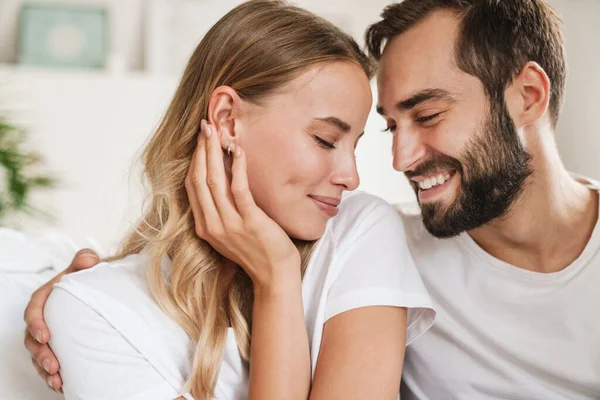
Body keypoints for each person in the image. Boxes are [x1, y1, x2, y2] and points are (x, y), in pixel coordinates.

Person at [23, 1, 434, 399]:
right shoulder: (96, 312)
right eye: (325, 140)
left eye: (355, 145)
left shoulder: (360, 231)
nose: (351, 177)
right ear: (226, 119)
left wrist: (277, 278)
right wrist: (276, 278)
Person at [366, 0, 600, 398]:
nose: (400, 159)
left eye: (427, 116)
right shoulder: (384, 247)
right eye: (391, 127)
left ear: (527, 96)